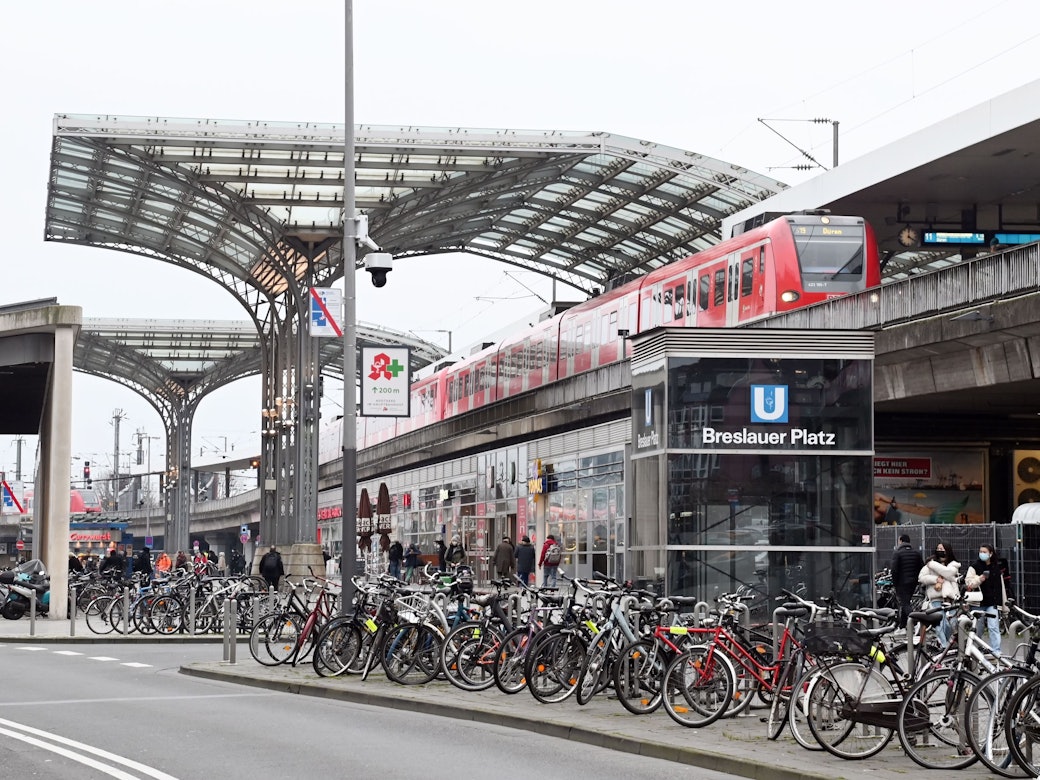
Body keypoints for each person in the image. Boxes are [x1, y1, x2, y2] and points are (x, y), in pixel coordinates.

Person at [965, 543, 1007, 654]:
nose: (982, 554)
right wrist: (980, 579)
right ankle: (975, 649)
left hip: (992, 602)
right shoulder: (974, 566)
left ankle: (996, 651)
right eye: (980, 552)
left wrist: (1002, 603)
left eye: (984, 552)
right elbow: (969, 583)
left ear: (991, 554)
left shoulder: (996, 567)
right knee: (978, 628)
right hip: (978, 602)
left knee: (994, 627)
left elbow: (1000, 586)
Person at [918, 541, 960, 648]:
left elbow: (948, 572)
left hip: (951, 599)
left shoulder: (952, 565)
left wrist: (933, 565)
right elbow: (921, 577)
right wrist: (935, 579)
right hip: (936, 598)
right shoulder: (929, 566)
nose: (940, 551)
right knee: (940, 624)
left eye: (942, 549)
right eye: (938, 549)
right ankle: (944, 646)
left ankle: (948, 644)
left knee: (952, 623)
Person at [890, 533, 923, 628]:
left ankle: (916, 622)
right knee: (906, 602)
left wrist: (895, 583)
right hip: (913, 582)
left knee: (904, 603)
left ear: (900, 541)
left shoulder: (897, 553)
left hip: (901, 583)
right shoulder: (916, 553)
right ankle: (902, 626)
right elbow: (921, 566)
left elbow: (894, 570)